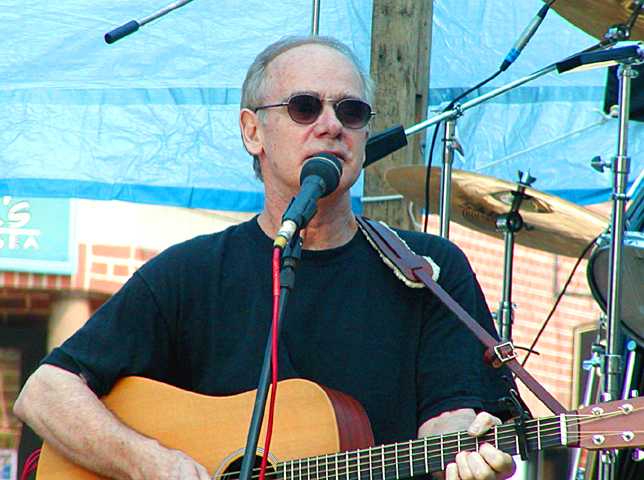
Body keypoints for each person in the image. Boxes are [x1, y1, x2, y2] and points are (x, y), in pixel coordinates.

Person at [14, 36, 517, 480]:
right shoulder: (190, 273)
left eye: (351, 112)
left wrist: (468, 455)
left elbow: (451, 417)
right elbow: (44, 392)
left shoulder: (430, 270)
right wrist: (149, 460)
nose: (330, 126)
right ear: (253, 132)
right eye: (304, 107)